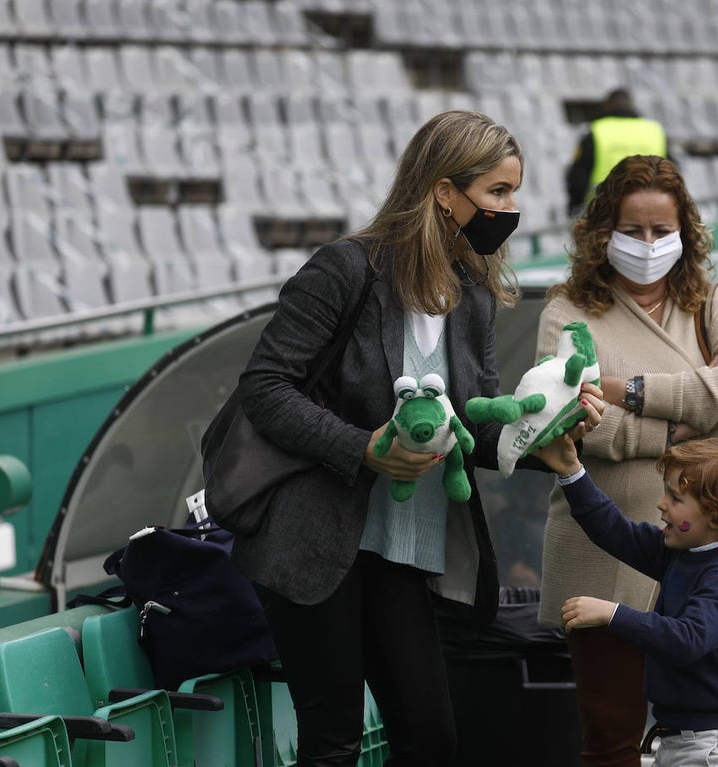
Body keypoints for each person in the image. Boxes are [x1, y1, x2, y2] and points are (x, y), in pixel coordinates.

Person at [231, 110, 604, 767]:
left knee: (430, 739)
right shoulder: (345, 269)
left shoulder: (473, 293)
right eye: (497, 191)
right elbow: (265, 387)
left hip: (405, 549)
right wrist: (363, 447)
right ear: (443, 191)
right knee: (333, 744)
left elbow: (473, 423)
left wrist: (539, 439)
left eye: (514, 192)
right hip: (318, 541)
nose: (510, 209)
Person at [538, 154, 718, 766]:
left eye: (661, 230)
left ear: (684, 232)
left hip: (704, 547)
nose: (647, 243)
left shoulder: (716, 301)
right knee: (611, 739)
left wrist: (627, 391)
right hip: (602, 546)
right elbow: (572, 420)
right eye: (631, 229)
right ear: (602, 231)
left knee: (698, 725)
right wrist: (683, 429)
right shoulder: (567, 311)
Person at [534, 435, 718, 766]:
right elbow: (615, 531)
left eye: (676, 498)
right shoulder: (683, 553)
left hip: (709, 748)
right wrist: (571, 472)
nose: (662, 504)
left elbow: (687, 639)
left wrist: (613, 614)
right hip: (683, 740)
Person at [565, 88, 669, 217]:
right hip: (652, 208)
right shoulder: (654, 131)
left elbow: (578, 176)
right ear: (631, 105)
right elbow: (671, 173)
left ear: (607, 106)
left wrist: (575, 208)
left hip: (606, 210)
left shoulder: (597, 130)